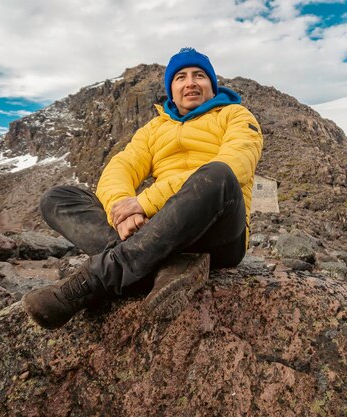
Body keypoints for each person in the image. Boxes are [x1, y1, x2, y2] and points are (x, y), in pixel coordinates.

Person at [23, 47, 263, 329]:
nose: (190, 83)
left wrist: (145, 203)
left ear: (212, 84)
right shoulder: (154, 128)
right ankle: (168, 264)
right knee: (59, 197)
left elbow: (238, 163)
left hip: (219, 232)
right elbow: (121, 166)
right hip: (162, 228)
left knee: (218, 174)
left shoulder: (235, 115)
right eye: (181, 77)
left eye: (199, 75)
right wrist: (121, 208)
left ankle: (99, 277)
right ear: (171, 89)